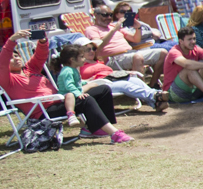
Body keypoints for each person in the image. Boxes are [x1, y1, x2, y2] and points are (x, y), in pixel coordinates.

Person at [0, 32, 129, 141]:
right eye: (11, 58)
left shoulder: (30, 69)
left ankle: (94, 129)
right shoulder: (8, 80)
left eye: (17, 55)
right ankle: (114, 134)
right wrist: (12, 40)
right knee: (85, 99)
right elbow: (2, 62)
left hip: (61, 101)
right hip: (43, 111)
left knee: (103, 90)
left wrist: (43, 41)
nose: (16, 59)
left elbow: (40, 55)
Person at [52, 44, 133, 143]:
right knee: (86, 98)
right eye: (81, 57)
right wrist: (78, 94)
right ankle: (112, 133)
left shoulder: (73, 69)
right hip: (68, 99)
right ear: (72, 60)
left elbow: (77, 82)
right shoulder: (67, 71)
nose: (84, 59)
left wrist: (86, 82)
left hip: (74, 94)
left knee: (104, 89)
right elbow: (69, 86)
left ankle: (96, 128)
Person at [79, 40, 171, 111]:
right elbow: (78, 79)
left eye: (93, 49)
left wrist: (125, 72)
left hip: (113, 79)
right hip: (101, 84)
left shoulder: (98, 62)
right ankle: (155, 95)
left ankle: (156, 103)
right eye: (88, 50)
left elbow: (108, 72)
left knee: (136, 80)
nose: (92, 51)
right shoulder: (79, 65)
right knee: (125, 85)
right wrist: (88, 81)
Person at [85, 4, 166, 76]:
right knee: (137, 57)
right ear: (96, 15)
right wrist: (114, 30)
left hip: (130, 54)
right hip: (113, 59)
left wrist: (138, 28)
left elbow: (136, 39)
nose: (109, 17)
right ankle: (139, 86)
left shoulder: (113, 26)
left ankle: (153, 84)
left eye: (110, 15)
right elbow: (98, 46)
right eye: (105, 15)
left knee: (163, 53)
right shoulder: (92, 29)